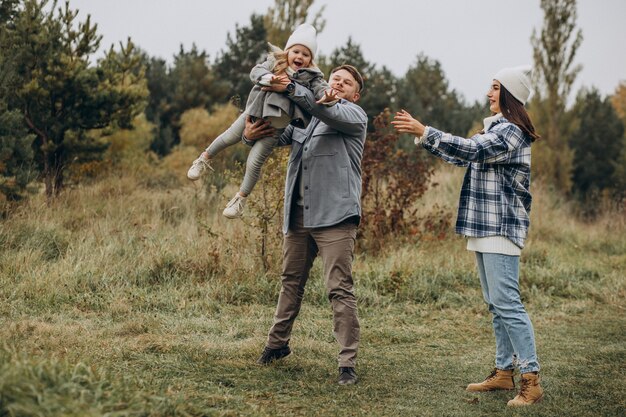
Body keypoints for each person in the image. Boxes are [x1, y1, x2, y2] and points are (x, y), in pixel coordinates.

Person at [391, 66, 543, 407]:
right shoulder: (497, 130)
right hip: (483, 226)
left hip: (500, 226)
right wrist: (424, 137)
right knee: (496, 304)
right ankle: (504, 373)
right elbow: (461, 153)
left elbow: (470, 150)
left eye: (495, 87)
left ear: (510, 95)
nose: (489, 93)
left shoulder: (512, 133)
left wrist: (425, 129)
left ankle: (531, 380)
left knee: (507, 303)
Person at [243, 64, 366, 385]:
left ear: (355, 93)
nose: (339, 83)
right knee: (290, 281)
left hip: (336, 217)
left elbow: (320, 109)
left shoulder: (353, 117)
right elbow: (273, 134)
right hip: (298, 215)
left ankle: (347, 363)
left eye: (346, 82)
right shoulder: (305, 119)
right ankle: (277, 344)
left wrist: (293, 90)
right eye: (335, 78)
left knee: (339, 288)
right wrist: (249, 133)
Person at [186, 23, 336, 218]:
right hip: (254, 113)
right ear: (288, 51)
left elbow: (322, 88)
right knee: (228, 137)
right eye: (296, 51)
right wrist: (269, 78)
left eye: (305, 54)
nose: (300, 57)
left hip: (275, 128)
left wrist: (329, 96)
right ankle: (203, 159)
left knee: (254, 163)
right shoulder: (274, 63)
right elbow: (255, 72)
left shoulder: (312, 77)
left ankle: (239, 199)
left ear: (310, 59)